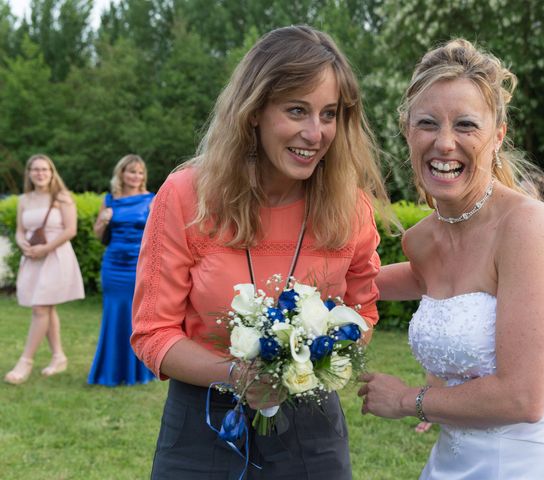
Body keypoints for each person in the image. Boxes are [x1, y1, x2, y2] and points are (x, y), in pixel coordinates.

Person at [131, 25, 388, 479]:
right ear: (253, 112)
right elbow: (153, 333)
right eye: (296, 110)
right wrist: (238, 375)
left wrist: (317, 352)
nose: (315, 133)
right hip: (202, 427)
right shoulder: (187, 195)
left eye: (329, 114)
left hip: (312, 433)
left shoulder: (351, 208)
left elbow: (363, 313)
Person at [361, 39, 544, 479]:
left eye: (465, 125)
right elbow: (386, 281)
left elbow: (522, 398)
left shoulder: (529, 228)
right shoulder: (423, 241)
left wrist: (407, 400)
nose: (444, 143)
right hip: (452, 465)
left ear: (497, 135)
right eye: (427, 123)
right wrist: (314, 279)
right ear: (407, 132)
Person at [4, 154, 85, 385]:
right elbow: (20, 230)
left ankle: (25, 361)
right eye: (35, 169)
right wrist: (22, 244)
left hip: (56, 257)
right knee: (46, 308)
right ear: (29, 173)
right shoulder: (24, 200)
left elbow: (70, 230)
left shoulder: (62, 197)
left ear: (52, 172)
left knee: (40, 307)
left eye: (45, 169)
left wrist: (45, 248)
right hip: (32, 258)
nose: (40, 173)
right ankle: (59, 356)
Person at [88, 154, 155, 386]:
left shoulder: (151, 199)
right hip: (113, 265)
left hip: (139, 264)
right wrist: (103, 221)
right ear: (121, 174)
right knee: (113, 315)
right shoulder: (109, 200)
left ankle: (138, 371)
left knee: (135, 316)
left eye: (139, 172)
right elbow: (98, 236)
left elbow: (157, 236)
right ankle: (110, 371)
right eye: (131, 171)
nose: (136, 176)